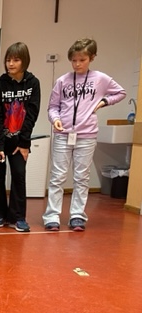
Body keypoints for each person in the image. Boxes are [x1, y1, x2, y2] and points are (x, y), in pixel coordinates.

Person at [43, 38, 126, 232]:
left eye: (82, 60)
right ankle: (52, 216)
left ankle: (77, 216)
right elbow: (52, 107)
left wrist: (104, 101)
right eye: (74, 60)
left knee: (81, 177)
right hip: (63, 134)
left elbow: (120, 92)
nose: (77, 64)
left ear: (92, 58)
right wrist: (55, 119)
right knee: (57, 176)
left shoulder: (100, 79)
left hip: (87, 135)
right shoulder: (62, 81)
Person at [0, 42, 41, 232]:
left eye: (16, 60)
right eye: (8, 60)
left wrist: (24, 143)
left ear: (24, 61)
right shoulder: (0, 86)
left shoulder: (33, 84)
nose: (11, 64)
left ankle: (18, 217)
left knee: (19, 175)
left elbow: (32, 114)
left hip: (19, 142)